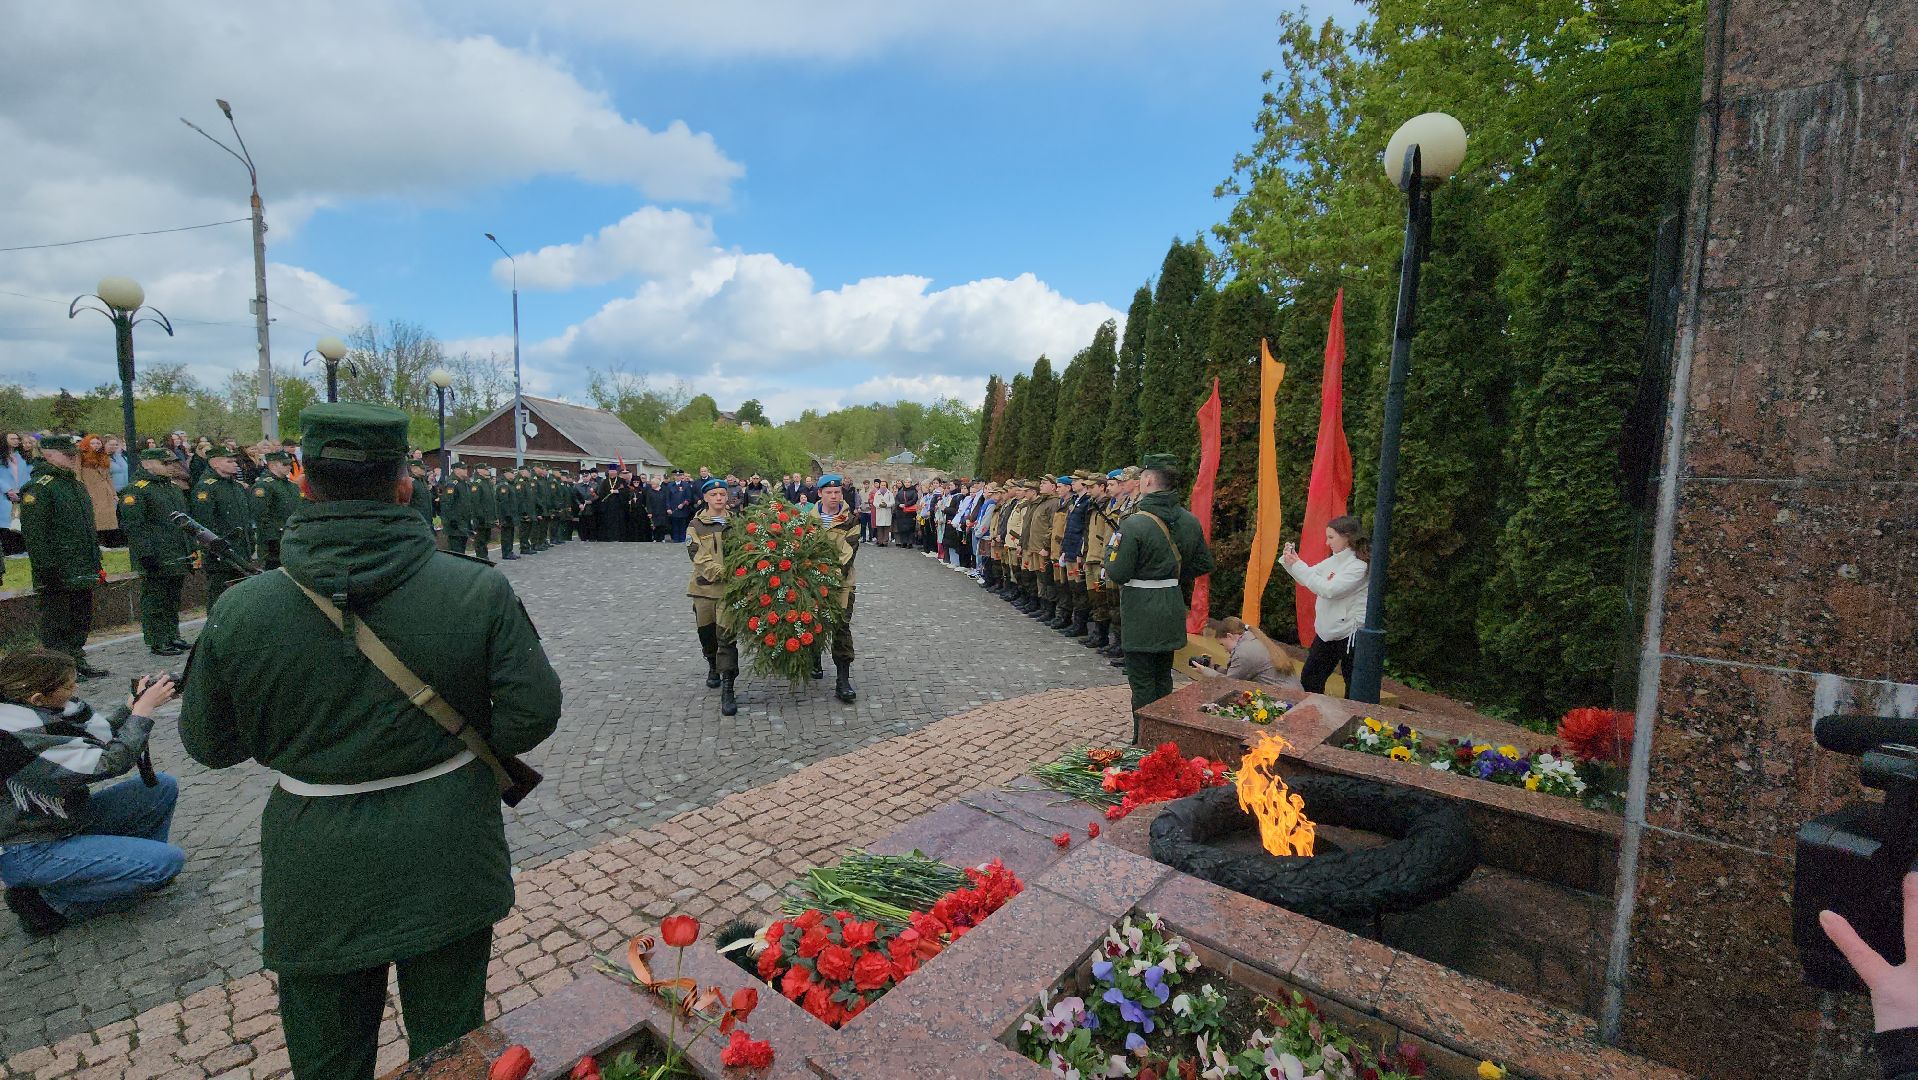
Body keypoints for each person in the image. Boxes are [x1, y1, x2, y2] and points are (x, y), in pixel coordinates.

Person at [180, 403, 563, 1080]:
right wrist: (449, 747)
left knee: (329, 1057)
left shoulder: (242, 609)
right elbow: (532, 713)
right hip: (446, 841)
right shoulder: (474, 588)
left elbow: (210, 743)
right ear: (405, 485)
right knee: (451, 1049)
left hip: (316, 852)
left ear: (303, 483)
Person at [0, 651, 183, 937]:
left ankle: (134, 868)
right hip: (31, 847)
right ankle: (48, 903)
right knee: (167, 863)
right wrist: (142, 713)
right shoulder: (15, 738)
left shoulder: (40, 715)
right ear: (37, 698)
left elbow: (97, 738)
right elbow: (108, 761)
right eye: (69, 686)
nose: (76, 690)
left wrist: (133, 706)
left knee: (161, 787)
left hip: (63, 821)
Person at [1106, 453, 1215, 739]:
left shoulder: (1134, 524)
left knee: (1142, 681)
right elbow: (1204, 563)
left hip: (1142, 610)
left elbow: (1118, 571)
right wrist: (1170, 577)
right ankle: (1164, 736)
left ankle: (1144, 740)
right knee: (1163, 677)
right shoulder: (1189, 520)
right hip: (1171, 604)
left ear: (1149, 479)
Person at [19, 435, 108, 679]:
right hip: (57, 566)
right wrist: (46, 568)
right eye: (66, 454)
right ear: (47, 454)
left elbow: (86, 528)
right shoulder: (40, 487)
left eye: (73, 454)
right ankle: (58, 671)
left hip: (80, 563)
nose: (72, 458)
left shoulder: (74, 484)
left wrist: (94, 561)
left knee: (80, 616)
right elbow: (36, 534)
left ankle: (76, 660)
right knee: (57, 621)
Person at [1281, 514, 1370, 696]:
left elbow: (1329, 590)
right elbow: (1308, 577)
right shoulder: (1335, 559)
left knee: (1352, 684)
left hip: (1350, 632)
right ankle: (1314, 718)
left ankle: (1352, 718)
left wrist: (1299, 566)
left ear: (1347, 537)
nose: (1327, 543)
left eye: (1331, 537)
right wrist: (1292, 562)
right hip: (1327, 630)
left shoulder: (1359, 566)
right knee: (1310, 678)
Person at [119, 449, 194, 655]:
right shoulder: (137, 490)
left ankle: (172, 634)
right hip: (156, 554)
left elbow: (184, 522)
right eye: (166, 463)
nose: (171, 467)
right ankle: (157, 639)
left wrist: (191, 548)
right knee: (155, 599)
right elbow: (135, 526)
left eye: (172, 463)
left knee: (172, 597)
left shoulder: (172, 488)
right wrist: (145, 554)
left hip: (175, 551)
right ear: (147, 463)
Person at [687, 478, 740, 715]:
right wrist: (720, 571)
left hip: (729, 590)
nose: (719, 498)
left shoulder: (737, 523)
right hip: (704, 589)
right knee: (707, 634)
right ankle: (712, 664)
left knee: (727, 638)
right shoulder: (696, 525)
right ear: (706, 498)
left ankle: (728, 687)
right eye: (714, 495)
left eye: (722, 494)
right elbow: (696, 556)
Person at [807, 475, 860, 702]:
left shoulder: (851, 520)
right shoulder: (807, 520)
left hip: (841, 583)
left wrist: (829, 576)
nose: (834, 496)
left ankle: (843, 679)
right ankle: (814, 658)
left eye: (837, 492)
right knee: (814, 623)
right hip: (811, 584)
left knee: (841, 627)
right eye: (829, 492)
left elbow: (848, 554)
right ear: (820, 494)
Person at [193, 446, 256, 610]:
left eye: (235, 461)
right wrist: (213, 548)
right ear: (215, 464)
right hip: (220, 553)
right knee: (219, 597)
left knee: (241, 598)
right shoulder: (206, 487)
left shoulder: (235, 486)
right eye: (229, 461)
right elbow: (204, 522)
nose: (235, 464)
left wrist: (250, 540)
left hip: (241, 551)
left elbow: (245, 518)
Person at [1191, 617, 1290, 686]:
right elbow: (1237, 674)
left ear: (1230, 636)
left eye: (1223, 645)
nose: (1225, 650)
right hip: (1289, 694)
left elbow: (1229, 683)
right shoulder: (1253, 639)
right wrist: (1213, 667)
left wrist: (1205, 671)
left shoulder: (1243, 652)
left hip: (1284, 701)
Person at [252, 451, 304, 570]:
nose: (289, 467)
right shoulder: (264, 486)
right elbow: (261, 515)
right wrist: (272, 539)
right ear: (272, 465)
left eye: (290, 464)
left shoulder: (292, 486)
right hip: (274, 542)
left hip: (293, 537)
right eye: (284, 464)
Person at [78, 434, 122, 548]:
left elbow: (108, 477)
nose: (96, 445)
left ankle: (106, 542)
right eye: (92, 443)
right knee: (95, 518)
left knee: (107, 518)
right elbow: (77, 476)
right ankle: (96, 543)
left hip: (105, 491)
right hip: (90, 490)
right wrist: (82, 491)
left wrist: (113, 493)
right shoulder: (81, 457)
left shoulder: (103, 457)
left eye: (98, 443)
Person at [439, 461, 475, 555]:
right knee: (456, 550)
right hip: (455, 524)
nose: (466, 471)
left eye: (466, 468)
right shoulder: (452, 484)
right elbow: (447, 503)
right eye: (463, 469)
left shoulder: (464, 483)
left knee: (461, 549)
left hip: (463, 522)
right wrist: (452, 520)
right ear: (456, 470)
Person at [494, 465, 519, 560]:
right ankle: (506, 552)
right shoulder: (503, 485)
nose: (513, 475)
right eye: (512, 473)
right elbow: (503, 502)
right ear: (506, 473)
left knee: (510, 534)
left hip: (511, 514)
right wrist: (507, 514)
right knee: (506, 535)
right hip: (506, 515)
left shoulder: (510, 484)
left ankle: (510, 551)